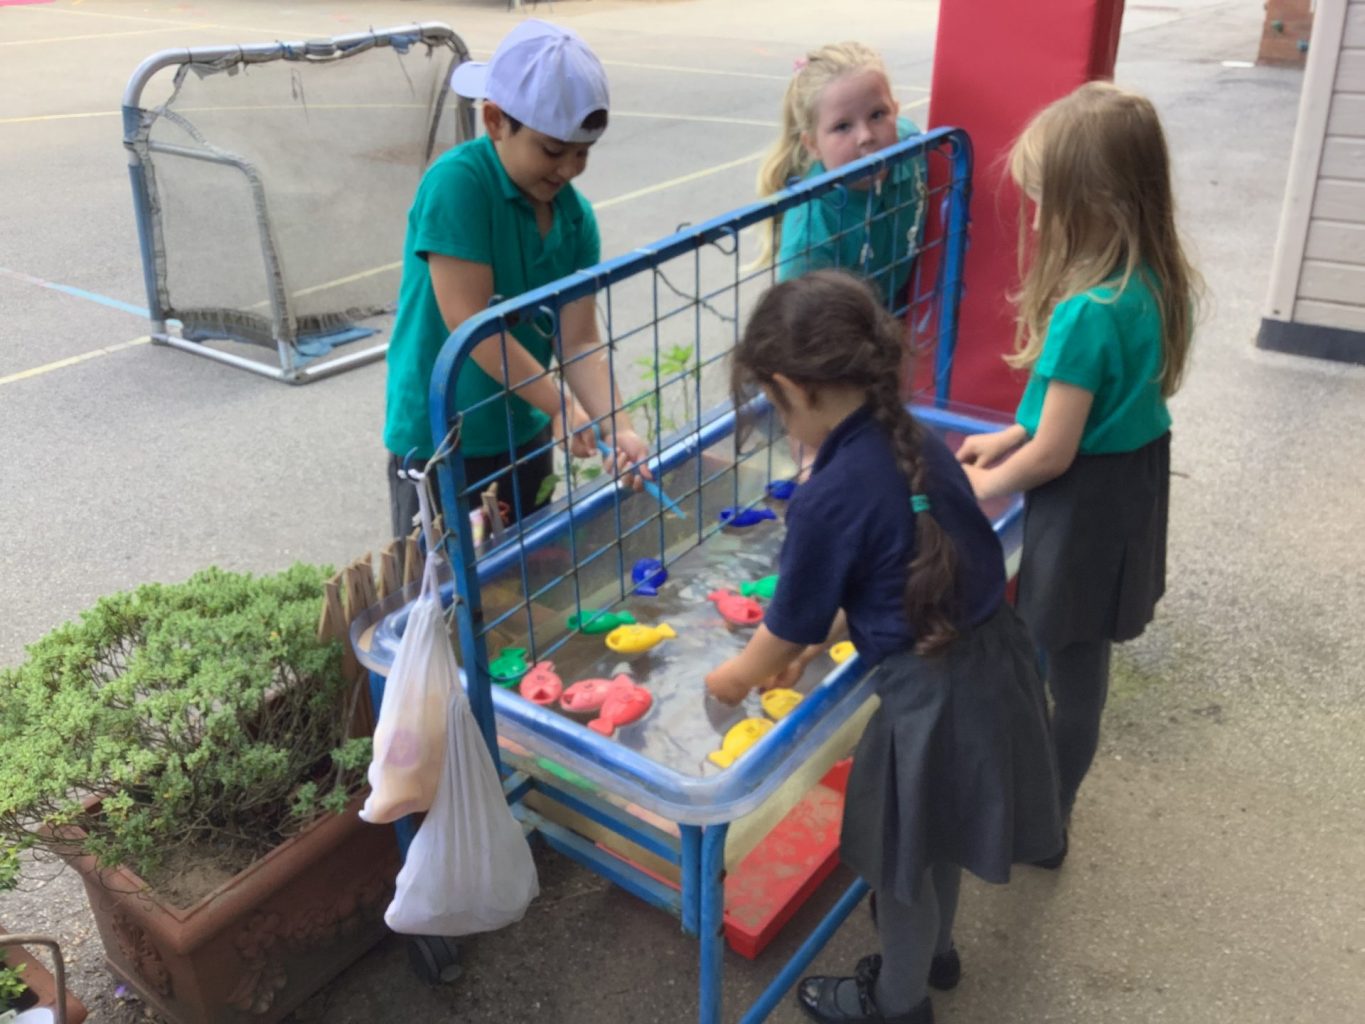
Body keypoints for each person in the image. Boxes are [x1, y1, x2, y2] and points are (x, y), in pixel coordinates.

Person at [706, 271, 1063, 1024]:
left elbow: (783, 631)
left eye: (771, 403)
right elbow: (904, 570)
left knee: (902, 869)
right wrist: (834, 634)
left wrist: (733, 679)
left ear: (789, 388)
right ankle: (937, 956)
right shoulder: (914, 443)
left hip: (929, 701)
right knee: (939, 837)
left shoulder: (828, 495)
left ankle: (897, 1002)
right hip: (997, 663)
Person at [957, 82, 1199, 865]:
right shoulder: (1152, 283)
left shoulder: (1085, 312)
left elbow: (1054, 454)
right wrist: (1008, 434)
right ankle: (1049, 807)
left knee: (1061, 666)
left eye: (1043, 202)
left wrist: (973, 489)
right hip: (1130, 488)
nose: (1033, 219)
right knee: (1082, 659)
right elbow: (1080, 410)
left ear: (1092, 204)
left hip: (1084, 503)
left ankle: (1042, 823)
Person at [383, 20, 649, 543]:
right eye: (552, 150)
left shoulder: (574, 218)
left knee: (527, 570)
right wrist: (560, 406)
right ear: (494, 121)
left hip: (524, 427)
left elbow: (578, 340)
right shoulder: (458, 185)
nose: (569, 169)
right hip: (440, 439)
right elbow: (471, 322)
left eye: (583, 152)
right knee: (448, 577)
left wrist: (618, 426)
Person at [755, 42, 928, 313]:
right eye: (842, 126)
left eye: (878, 115)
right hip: (845, 331)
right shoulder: (810, 235)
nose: (866, 136)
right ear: (812, 144)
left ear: (896, 112)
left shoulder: (912, 146)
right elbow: (799, 325)